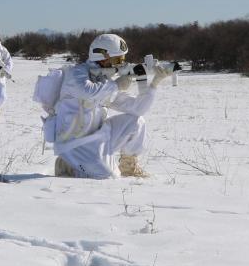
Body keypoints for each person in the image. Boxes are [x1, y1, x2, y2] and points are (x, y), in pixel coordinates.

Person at [52, 33, 172, 179]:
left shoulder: (104, 81)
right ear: (102, 57)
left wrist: (154, 85)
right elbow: (88, 91)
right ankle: (67, 165)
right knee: (108, 176)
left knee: (136, 122)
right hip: (74, 145)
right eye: (117, 59)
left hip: (98, 137)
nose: (121, 64)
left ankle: (128, 167)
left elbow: (138, 109)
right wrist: (116, 85)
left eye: (122, 59)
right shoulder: (75, 73)